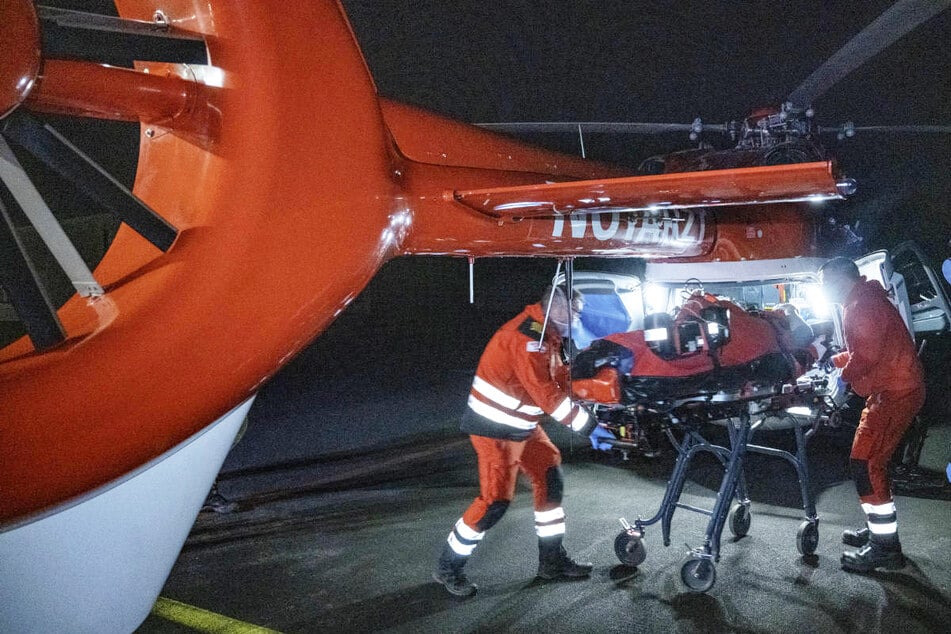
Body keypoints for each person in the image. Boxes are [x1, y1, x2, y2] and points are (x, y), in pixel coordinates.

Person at [432, 285, 598, 597]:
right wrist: (589, 424)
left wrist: (590, 389)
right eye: (574, 311)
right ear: (555, 309)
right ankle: (447, 567)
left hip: (521, 423)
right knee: (494, 503)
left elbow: (557, 379)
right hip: (495, 429)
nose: (578, 317)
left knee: (550, 478)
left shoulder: (548, 334)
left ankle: (551, 562)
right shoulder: (526, 339)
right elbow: (546, 393)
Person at [818, 257, 925, 573]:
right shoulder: (863, 299)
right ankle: (880, 530)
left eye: (826, 283)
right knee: (870, 464)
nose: (824, 290)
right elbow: (862, 350)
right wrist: (835, 362)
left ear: (841, 278)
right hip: (893, 389)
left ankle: (885, 548)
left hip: (895, 393)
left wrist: (842, 375)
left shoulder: (861, 305)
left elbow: (865, 355)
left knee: (865, 464)